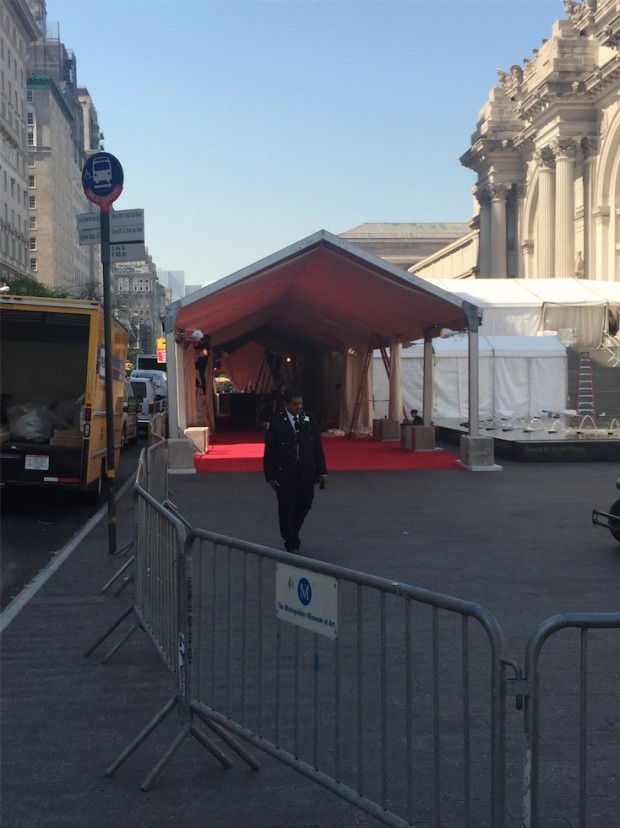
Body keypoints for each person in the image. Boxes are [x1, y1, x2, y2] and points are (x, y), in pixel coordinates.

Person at [263, 388, 328, 554]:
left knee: (305, 503)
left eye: (300, 403)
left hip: (306, 471)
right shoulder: (276, 422)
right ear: (286, 404)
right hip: (284, 472)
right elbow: (270, 451)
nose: (298, 407)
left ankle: (293, 530)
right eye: (294, 404)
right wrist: (269, 475)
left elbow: (316, 447)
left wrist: (322, 470)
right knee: (286, 507)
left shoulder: (308, 418)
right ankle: (291, 541)